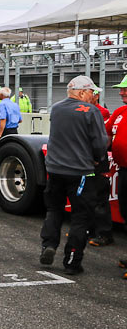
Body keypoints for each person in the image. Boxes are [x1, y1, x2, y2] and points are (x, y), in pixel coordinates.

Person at [39, 76, 108, 275]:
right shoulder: (91, 111)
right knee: (81, 217)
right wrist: (97, 158)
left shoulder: (57, 108)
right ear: (81, 92)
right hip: (81, 172)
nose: (93, 96)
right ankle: (72, 261)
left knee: (54, 210)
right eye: (91, 92)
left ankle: (48, 245)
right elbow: (99, 143)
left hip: (55, 169)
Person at [90, 77, 127, 248]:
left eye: (125, 89)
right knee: (125, 210)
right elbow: (104, 136)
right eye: (121, 89)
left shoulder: (103, 111)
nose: (121, 92)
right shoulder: (119, 112)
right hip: (123, 170)